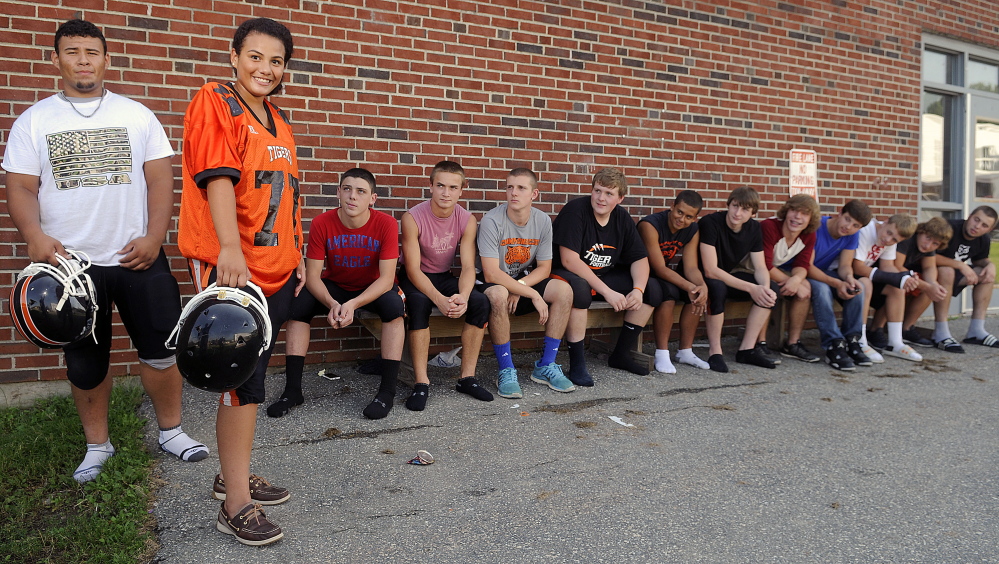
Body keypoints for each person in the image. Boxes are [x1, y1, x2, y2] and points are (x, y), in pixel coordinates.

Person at [2, 19, 207, 484]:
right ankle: (98, 445)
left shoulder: (137, 115)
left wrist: (156, 235)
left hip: (138, 256)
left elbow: (160, 179)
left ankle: (171, 431)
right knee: (85, 359)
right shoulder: (34, 120)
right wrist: (33, 235)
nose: (82, 60)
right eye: (72, 51)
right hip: (69, 267)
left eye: (91, 52)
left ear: (106, 59)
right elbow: (19, 186)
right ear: (55, 60)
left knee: (160, 351)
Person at [178, 17, 302, 545]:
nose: (265, 69)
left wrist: (292, 257)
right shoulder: (215, 100)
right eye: (255, 56)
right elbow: (219, 180)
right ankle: (235, 502)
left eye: (276, 61)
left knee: (248, 387)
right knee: (238, 386)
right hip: (234, 266)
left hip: (273, 270)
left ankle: (232, 472)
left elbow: (279, 197)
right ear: (234, 56)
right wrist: (229, 247)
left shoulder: (277, 118)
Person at [267, 168, 404, 419]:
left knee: (394, 308)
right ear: (338, 192)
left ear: (372, 198)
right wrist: (332, 303)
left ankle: (386, 393)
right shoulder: (322, 223)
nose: (353, 196)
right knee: (299, 307)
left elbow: (386, 279)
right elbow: (313, 275)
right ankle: (292, 391)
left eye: (361, 191)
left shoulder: (385, 223)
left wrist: (353, 304)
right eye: (347, 189)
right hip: (336, 284)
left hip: (372, 286)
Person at [551, 167, 663, 385]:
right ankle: (577, 365)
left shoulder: (622, 218)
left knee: (652, 288)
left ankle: (620, 354)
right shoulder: (575, 211)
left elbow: (639, 259)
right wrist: (607, 292)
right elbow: (569, 260)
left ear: (620, 198)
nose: (601, 198)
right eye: (597, 191)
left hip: (601, 276)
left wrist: (638, 290)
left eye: (609, 194)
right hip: (567, 274)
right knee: (581, 290)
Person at [399, 160, 493, 410]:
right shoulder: (412, 217)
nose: (446, 193)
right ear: (430, 186)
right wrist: (439, 299)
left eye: (453, 187)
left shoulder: (467, 219)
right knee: (419, 304)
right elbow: (412, 269)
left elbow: (468, 267)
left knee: (480, 302)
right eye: (440, 185)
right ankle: (421, 382)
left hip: (444, 275)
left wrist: (462, 295)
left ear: (462, 190)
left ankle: (467, 378)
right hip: (415, 276)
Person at [477, 168, 576, 397]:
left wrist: (521, 286)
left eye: (521, 188)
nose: (514, 193)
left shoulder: (542, 220)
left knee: (564, 291)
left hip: (519, 279)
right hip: (489, 282)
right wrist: (530, 293)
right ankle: (506, 369)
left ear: (534, 194)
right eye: (510, 187)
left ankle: (545, 366)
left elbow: (544, 269)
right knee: (500, 294)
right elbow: (491, 273)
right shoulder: (492, 220)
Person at [698, 187, 779, 373]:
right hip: (702, 277)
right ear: (729, 204)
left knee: (771, 288)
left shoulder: (754, 228)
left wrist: (763, 289)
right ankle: (715, 351)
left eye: (745, 209)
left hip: (727, 275)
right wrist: (752, 288)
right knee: (717, 288)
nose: (737, 213)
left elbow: (760, 267)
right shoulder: (711, 222)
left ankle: (747, 350)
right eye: (735, 206)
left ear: (753, 213)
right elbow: (710, 270)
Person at [637, 190, 710, 373]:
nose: (682, 219)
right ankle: (662, 353)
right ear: (672, 206)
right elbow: (659, 267)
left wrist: (701, 287)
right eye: (679, 212)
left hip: (660, 276)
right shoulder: (650, 225)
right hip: (638, 274)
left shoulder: (692, 230)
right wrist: (691, 286)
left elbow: (691, 268)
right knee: (668, 293)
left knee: (693, 295)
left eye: (688, 217)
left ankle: (685, 351)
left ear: (695, 218)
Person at [806, 200, 871, 371]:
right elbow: (808, 267)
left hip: (823, 272)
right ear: (840, 213)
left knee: (857, 288)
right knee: (822, 289)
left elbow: (844, 266)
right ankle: (833, 344)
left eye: (856, 225)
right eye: (847, 219)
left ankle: (852, 340)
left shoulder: (852, 235)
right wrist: (837, 283)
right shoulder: (817, 226)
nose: (849, 227)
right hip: (801, 271)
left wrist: (849, 278)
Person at [868, 217, 952, 350]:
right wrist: (924, 285)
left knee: (929, 289)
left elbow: (929, 267)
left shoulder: (929, 248)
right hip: (880, 275)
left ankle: (907, 328)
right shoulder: (907, 239)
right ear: (921, 231)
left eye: (935, 244)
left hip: (902, 275)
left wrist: (933, 284)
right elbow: (897, 266)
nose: (928, 245)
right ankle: (875, 329)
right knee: (899, 285)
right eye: (928, 238)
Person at [758, 194, 821, 363]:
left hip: (773, 270)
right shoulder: (769, 226)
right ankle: (760, 343)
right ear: (786, 211)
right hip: (749, 268)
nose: (797, 217)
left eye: (804, 214)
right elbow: (764, 264)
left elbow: (803, 264)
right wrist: (790, 281)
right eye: (794, 210)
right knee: (769, 288)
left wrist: (796, 280)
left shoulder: (809, 235)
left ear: (811, 219)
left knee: (805, 289)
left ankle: (793, 343)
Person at [928, 206, 999, 351]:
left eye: (984, 225)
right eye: (976, 220)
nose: (977, 226)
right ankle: (940, 332)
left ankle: (976, 330)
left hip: (954, 274)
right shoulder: (949, 228)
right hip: (929, 274)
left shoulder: (983, 239)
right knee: (947, 270)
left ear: (989, 230)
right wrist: (961, 265)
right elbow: (928, 254)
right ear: (969, 215)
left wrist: (989, 265)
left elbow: (980, 260)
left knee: (986, 274)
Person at [851, 214, 920, 362]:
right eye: (889, 233)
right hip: (844, 274)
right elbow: (857, 267)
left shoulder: (889, 241)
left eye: (895, 240)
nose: (888, 240)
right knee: (866, 284)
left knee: (897, 287)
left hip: (863, 275)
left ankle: (895, 343)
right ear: (886, 221)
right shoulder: (866, 229)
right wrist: (897, 278)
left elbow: (887, 266)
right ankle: (860, 340)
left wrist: (904, 279)